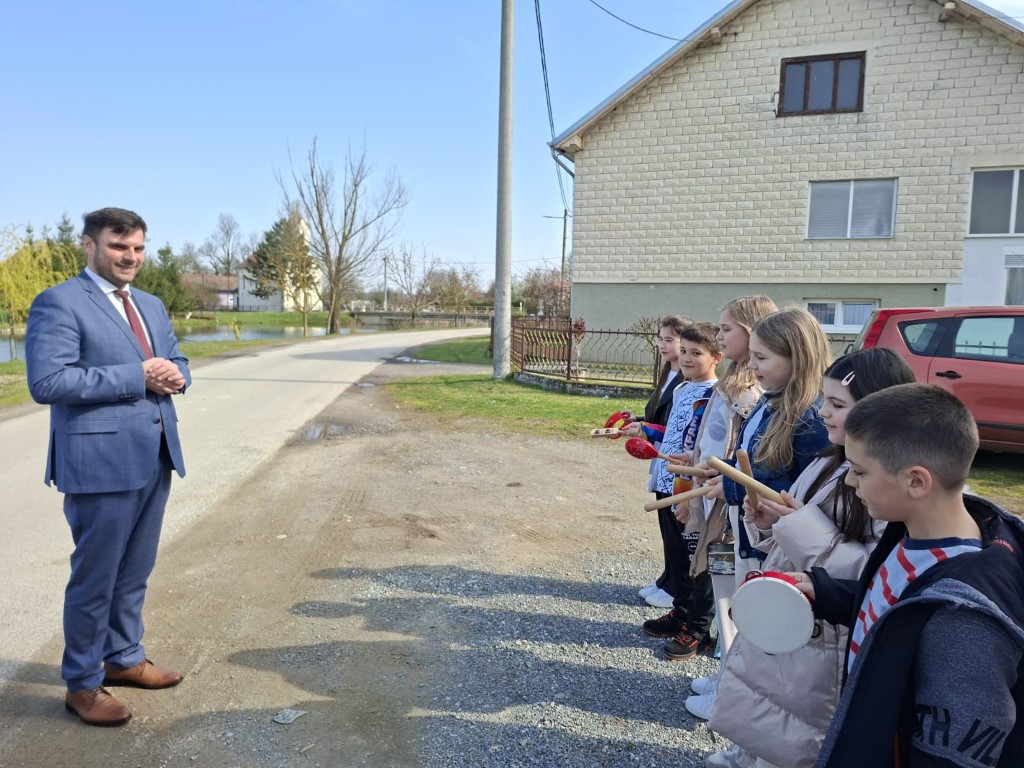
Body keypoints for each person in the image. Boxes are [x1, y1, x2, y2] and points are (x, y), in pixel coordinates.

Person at [791, 384, 1024, 768]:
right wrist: (826, 592)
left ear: (917, 481)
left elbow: (949, 754)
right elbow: (903, 611)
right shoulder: (912, 533)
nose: (849, 482)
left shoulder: (965, 621)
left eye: (859, 471)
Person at [704, 349, 916, 768]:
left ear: (881, 410)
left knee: (794, 740)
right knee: (764, 718)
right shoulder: (826, 463)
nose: (822, 413)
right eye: (824, 400)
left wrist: (799, 526)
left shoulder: (886, 488)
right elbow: (788, 544)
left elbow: (873, 576)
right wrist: (768, 524)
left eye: (837, 404)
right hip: (789, 629)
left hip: (822, 647)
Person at [25, 207, 190, 727]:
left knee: (135, 571)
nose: (131, 257)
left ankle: (123, 658)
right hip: (98, 462)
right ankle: (82, 682)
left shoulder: (151, 304)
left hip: (155, 454)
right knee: (96, 578)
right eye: (119, 246)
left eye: (138, 248)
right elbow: (47, 382)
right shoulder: (59, 302)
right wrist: (137, 375)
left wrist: (177, 375)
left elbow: (176, 360)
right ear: (89, 245)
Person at [667, 296, 776, 713]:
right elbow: (718, 439)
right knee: (724, 590)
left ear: (753, 331)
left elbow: (747, 453)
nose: (719, 336)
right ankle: (725, 676)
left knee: (734, 599)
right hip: (716, 498)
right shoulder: (734, 379)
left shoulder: (753, 389)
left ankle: (731, 692)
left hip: (733, 511)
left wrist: (720, 480)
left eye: (727, 329)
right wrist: (695, 463)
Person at [640, 322, 723, 660]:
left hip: (690, 489)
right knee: (675, 554)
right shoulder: (683, 388)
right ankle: (681, 612)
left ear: (716, 357)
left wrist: (690, 493)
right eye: (684, 351)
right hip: (666, 481)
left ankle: (698, 629)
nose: (686, 358)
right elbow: (672, 434)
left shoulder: (716, 395)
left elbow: (704, 447)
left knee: (695, 560)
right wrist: (646, 430)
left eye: (695, 353)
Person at [621, 315, 690, 608]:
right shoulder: (667, 373)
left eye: (669, 340)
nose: (663, 345)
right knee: (666, 526)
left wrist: (646, 429)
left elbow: (677, 427)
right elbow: (658, 416)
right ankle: (667, 579)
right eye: (660, 339)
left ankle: (677, 588)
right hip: (660, 459)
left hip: (674, 461)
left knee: (677, 529)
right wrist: (637, 420)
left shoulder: (688, 381)